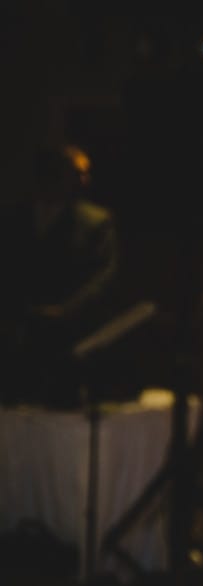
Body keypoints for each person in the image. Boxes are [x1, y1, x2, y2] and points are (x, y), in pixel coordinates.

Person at [0, 142, 120, 407]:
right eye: (77, 173)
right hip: (16, 340)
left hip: (69, 341)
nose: (84, 180)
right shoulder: (14, 218)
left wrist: (64, 310)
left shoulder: (95, 222)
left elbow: (103, 278)